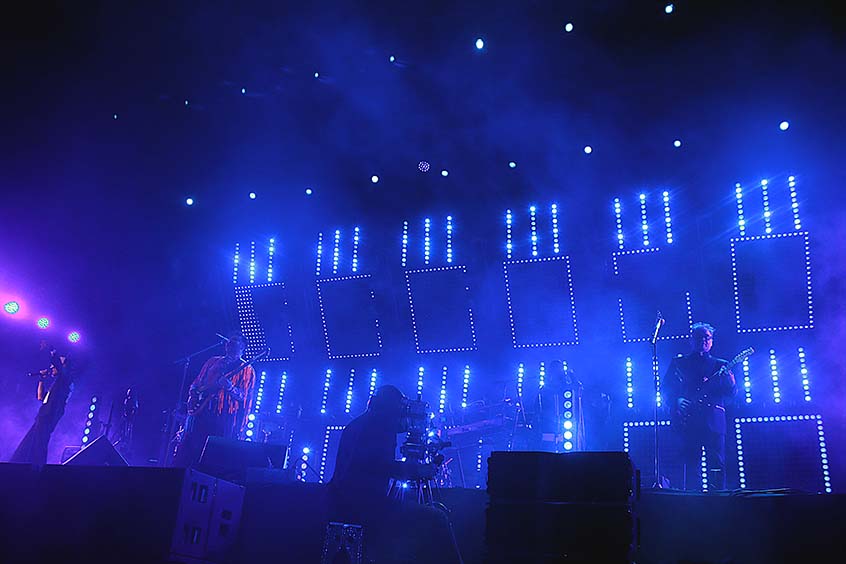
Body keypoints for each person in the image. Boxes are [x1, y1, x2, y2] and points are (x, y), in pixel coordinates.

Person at [329, 385, 461, 564]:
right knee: (437, 518)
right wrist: (417, 471)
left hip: (345, 501)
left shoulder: (360, 423)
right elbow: (378, 465)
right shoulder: (380, 427)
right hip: (365, 505)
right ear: (391, 407)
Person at [664, 322, 737, 490]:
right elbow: (666, 388)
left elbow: (730, 395)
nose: (703, 341)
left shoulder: (721, 365)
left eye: (707, 338)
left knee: (717, 465)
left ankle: (719, 502)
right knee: (691, 466)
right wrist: (677, 401)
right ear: (691, 340)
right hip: (689, 421)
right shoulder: (679, 363)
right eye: (699, 337)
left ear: (712, 341)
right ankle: (692, 506)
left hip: (714, 421)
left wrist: (732, 383)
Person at [172, 334, 256, 467]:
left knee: (214, 455)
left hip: (223, 417)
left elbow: (245, 396)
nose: (230, 345)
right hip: (202, 412)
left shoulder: (247, 369)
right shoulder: (213, 361)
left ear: (242, 347)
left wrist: (230, 387)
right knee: (192, 450)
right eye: (229, 342)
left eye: (234, 343)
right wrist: (193, 392)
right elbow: (198, 382)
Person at [10, 341, 76, 464]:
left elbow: (60, 366)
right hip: (44, 413)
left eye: (54, 367)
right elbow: (41, 397)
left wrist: (52, 349)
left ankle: (38, 466)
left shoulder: (66, 380)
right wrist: (41, 379)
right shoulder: (56, 385)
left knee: (41, 440)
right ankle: (24, 462)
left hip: (51, 413)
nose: (51, 369)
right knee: (34, 439)